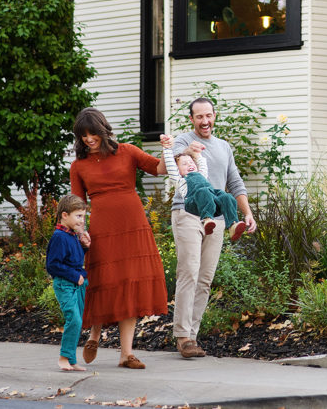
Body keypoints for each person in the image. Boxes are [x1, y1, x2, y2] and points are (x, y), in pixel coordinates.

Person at [69, 107, 168, 370]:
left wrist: (171, 150)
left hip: (133, 225)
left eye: (93, 134)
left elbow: (159, 169)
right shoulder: (78, 166)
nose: (88, 139)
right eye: (83, 136)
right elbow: (78, 204)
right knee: (103, 282)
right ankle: (94, 335)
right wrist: (80, 232)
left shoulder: (128, 151)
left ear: (103, 130)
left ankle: (126, 354)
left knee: (130, 284)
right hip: (102, 229)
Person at [170, 97, 257, 359]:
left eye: (209, 115)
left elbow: (235, 181)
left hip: (217, 217)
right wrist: (190, 153)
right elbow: (173, 165)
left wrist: (248, 213)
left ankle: (192, 337)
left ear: (214, 115)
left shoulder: (223, 147)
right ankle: (182, 337)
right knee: (189, 271)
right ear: (191, 119)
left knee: (205, 278)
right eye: (199, 117)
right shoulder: (184, 141)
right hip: (187, 212)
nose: (205, 121)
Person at [160, 136, 247, 242]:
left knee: (226, 196)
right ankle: (207, 220)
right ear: (178, 170)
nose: (189, 165)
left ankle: (233, 225)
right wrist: (167, 148)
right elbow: (170, 165)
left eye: (191, 162)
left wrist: (197, 153)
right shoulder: (180, 180)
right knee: (203, 191)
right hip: (194, 203)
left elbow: (202, 163)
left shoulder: (201, 174)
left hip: (212, 202)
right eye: (184, 164)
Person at [45, 194, 91, 372]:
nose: (82, 220)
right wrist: (73, 275)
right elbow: (53, 265)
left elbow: (72, 258)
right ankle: (64, 357)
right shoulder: (59, 237)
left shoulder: (72, 235)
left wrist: (84, 247)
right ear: (65, 215)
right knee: (74, 319)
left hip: (77, 284)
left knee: (77, 322)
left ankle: (71, 360)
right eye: (78, 216)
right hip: (65, 284)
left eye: (83, 216)